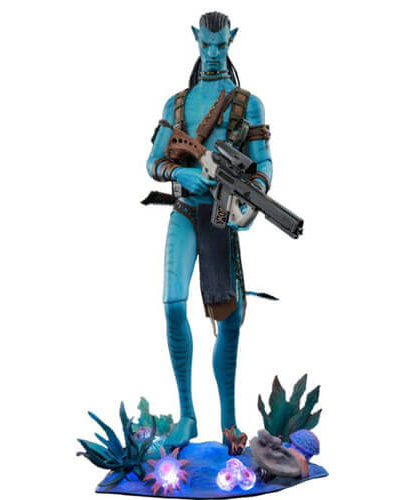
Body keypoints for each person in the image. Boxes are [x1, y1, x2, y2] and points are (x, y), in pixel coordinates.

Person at [146, 12, 272, 449]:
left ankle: (229, 424)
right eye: (207, 45)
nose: (214, 54)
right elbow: (154, 161)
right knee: (172, 305)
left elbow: (262, 161)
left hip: (221, 218)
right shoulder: (177, 105)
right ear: (197, 41)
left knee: (229, 320)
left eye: (221, 46)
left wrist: (254, 193)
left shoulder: (247, 104)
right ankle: (186, 415)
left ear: (231, 41)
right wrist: (181, 174)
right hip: (184, 211)